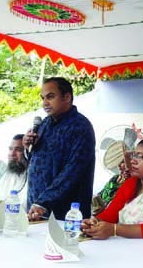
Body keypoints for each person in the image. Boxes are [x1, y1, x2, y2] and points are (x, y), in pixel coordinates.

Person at [24, 77, 95, 221]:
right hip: (37, 208)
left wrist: (43, 202)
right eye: (43, 98)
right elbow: (36, 163)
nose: (45, 103)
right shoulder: (45, 124)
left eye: (50, 97)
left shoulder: (81, 127)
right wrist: (28, 148)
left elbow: (72, 172)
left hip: (67, 214)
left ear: (67, 97)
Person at [93, 140, 131, 214]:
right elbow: (100, 195)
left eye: (122, 162)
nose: (118, 166)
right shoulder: (114, 179)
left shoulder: (132, 183)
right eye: (117, 163)